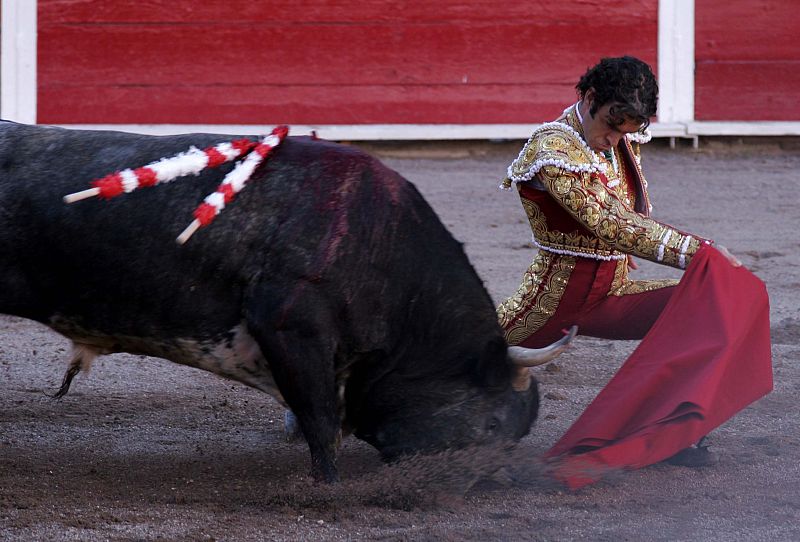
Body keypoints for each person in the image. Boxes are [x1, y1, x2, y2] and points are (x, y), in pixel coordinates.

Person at [496, 56, 772, 486]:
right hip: (549, 305)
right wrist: (700, 251)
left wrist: (705, 261)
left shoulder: (623, 141)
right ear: (589, 98)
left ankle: (668, 431)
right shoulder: (552, 149)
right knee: (463, 358)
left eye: (627, 128)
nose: (614, 139)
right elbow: (614, 224)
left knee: (709, 303)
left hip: (612, 293)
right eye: (611, 124)